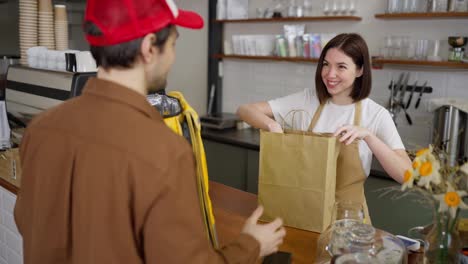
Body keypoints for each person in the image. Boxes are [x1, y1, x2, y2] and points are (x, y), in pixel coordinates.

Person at [14, 0, 285, 263]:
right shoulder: (164, 150)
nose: (173, 57)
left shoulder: (41, 129)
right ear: (149, 48)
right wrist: (251, 245)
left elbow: (27, 222)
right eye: (173, 44)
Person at [237, 33, 412, 221]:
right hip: (303, 214)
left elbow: (406, 175)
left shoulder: (376, 114)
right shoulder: (307, 100)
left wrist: (369, 136)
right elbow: (245, 109)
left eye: (341, 67)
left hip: (348, 222)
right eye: (326, 64)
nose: (330, 74)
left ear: (360, 70)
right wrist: (272, 125)